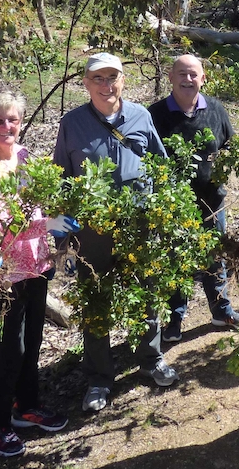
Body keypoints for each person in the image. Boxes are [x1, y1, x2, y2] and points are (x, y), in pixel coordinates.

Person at [54, 53, 177, 414]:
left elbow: (161, 164)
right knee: (96, 302)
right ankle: (99, 378)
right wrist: (63, 243)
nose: (106, 85)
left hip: (140, 226)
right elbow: (61, 179)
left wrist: (164, 214)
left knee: (146, 292)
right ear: (86, 83)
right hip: (93, 231)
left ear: (123, 79)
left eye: (113, 77)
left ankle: (150, 359)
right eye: (98, 79)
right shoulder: (72, 123)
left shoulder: (141, 116)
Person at [0, 92, 72, 457]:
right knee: (10, 352)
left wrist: (55, 224)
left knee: (32, 344)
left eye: (13, 120)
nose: (6, 127)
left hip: (36, 266)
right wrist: (50, 223)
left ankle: (26, 407)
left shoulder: (25, 157)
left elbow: (42, 202)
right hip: (2, 276)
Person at [148, 54, 239, 342]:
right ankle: (175, 318)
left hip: (212, 201)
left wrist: (223, 164)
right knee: (178, 261)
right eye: (182, 74)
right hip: (174, 206)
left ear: (203, 78)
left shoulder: (215, 109)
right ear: (170, 77)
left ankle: (221, 310)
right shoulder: (154, 115)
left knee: (215, 258)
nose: (187, 80)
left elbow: (229, 145)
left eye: (193, 74)